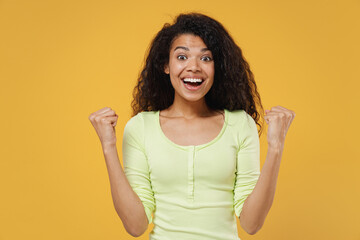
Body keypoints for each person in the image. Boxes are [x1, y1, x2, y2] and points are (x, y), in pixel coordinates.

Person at [89, 12, 295, 240]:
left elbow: (251, 223)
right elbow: (135, 226)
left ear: (218, 68)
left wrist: (276, 146)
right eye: (182, 57)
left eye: (206, 58)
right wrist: (108, 146)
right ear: (166, 66)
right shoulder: (140, 128)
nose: (194, 67)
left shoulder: (239, 124)